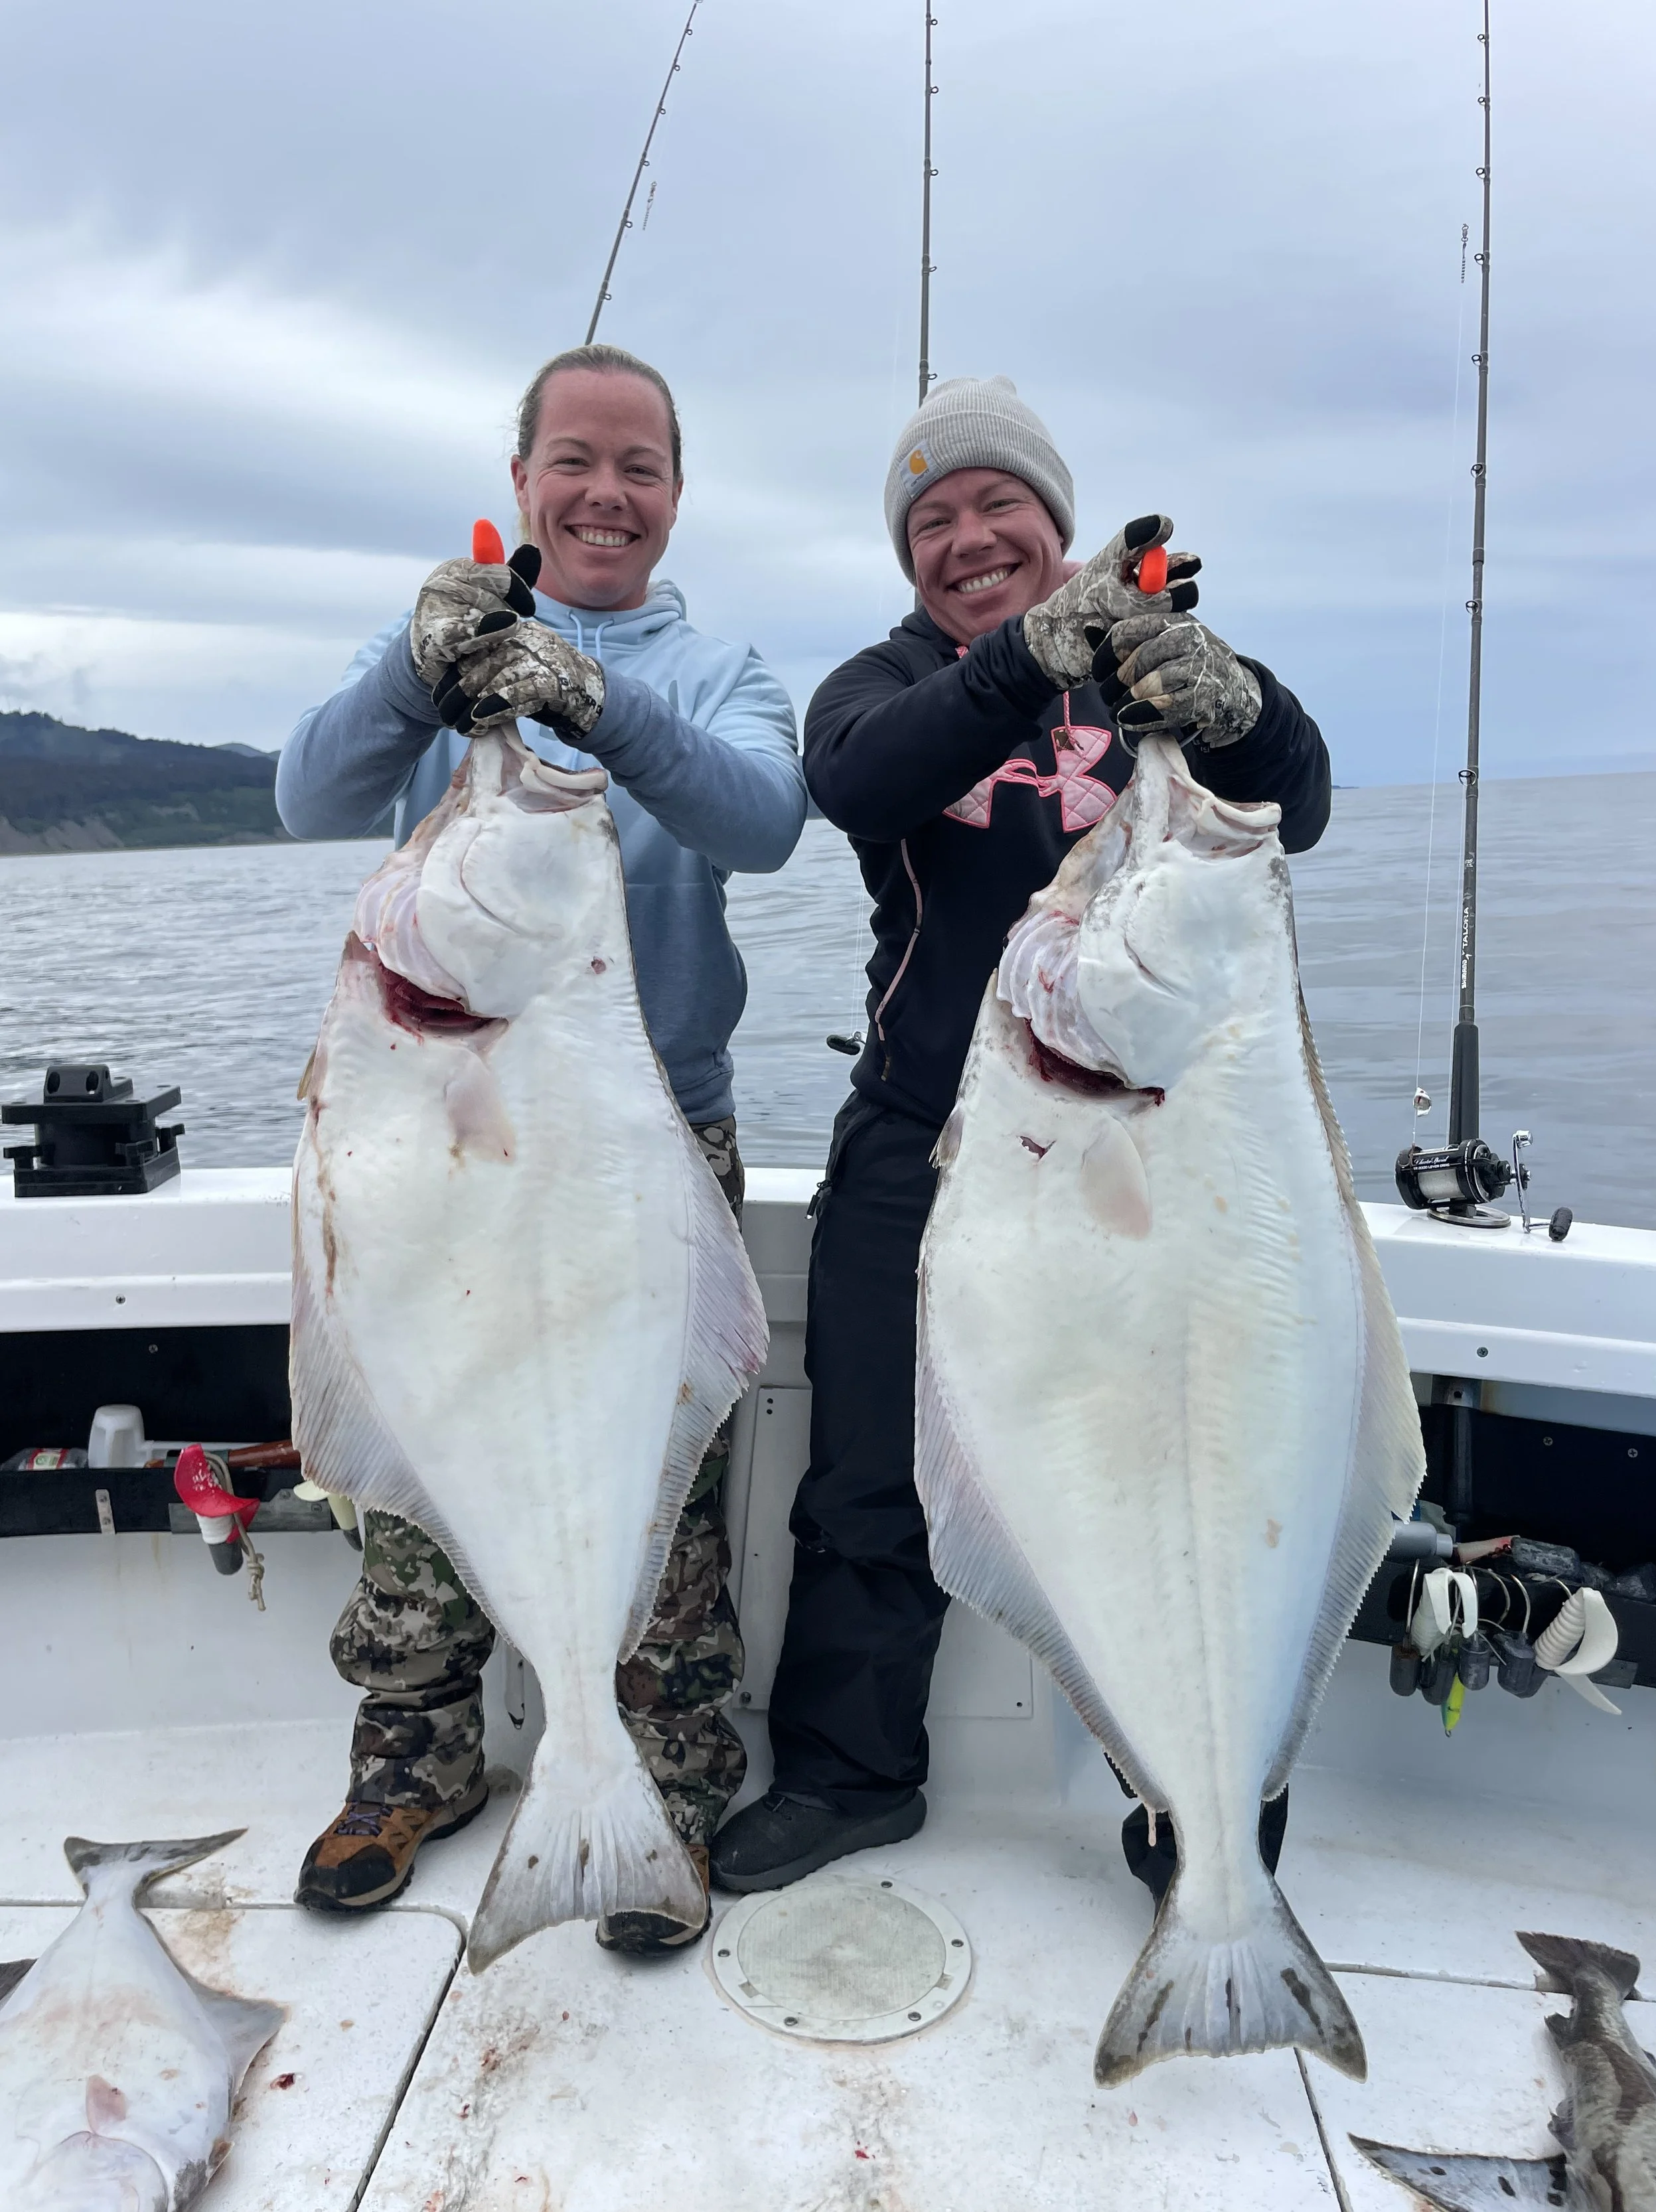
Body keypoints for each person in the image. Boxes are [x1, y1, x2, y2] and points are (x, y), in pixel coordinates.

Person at [710, 374, 1329, 1901]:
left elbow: (1293, 802)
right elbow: (854, 779)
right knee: (866, 1471)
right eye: (931, 519)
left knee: (1164, 1474)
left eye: (999, 507)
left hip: (1150, 1157)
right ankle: (852, 1775)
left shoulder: (1159, 666)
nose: (967, 535)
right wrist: (1016, 663)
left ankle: (1199, 1803)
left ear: (1057, 523)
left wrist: (1231, 701)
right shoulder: (878, 683)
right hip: (923, 1136)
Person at [276, 342, 806, 1954]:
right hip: (436, 1139)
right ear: (521, 483)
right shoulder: (438, 650)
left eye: (639, 466)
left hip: (641, 1137)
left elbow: (763, 822)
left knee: (653, 1477)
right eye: (573, 460)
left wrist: (598, 704)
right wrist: (415, 677)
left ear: (673, 497)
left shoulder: (720, 672)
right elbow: (310, 797)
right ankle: (413, 1755)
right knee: (419, 1464)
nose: (605, 493)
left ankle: (662, 1778)